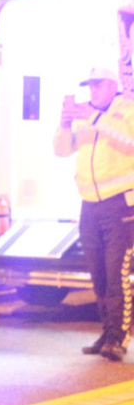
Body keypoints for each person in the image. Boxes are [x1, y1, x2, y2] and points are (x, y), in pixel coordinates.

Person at [53, 66, 134, 362]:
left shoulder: (127, 110)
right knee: (98, 276)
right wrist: (64, 125)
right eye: (90, 86)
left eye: (97, 85)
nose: (92, 91)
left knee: (117, 275)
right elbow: (61, 151)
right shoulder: (87, 116)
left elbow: (129, 139)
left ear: (113, 85)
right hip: (89, 205)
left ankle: (119, 338)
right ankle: (106, 332)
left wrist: (92, 116)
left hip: (121, 206)